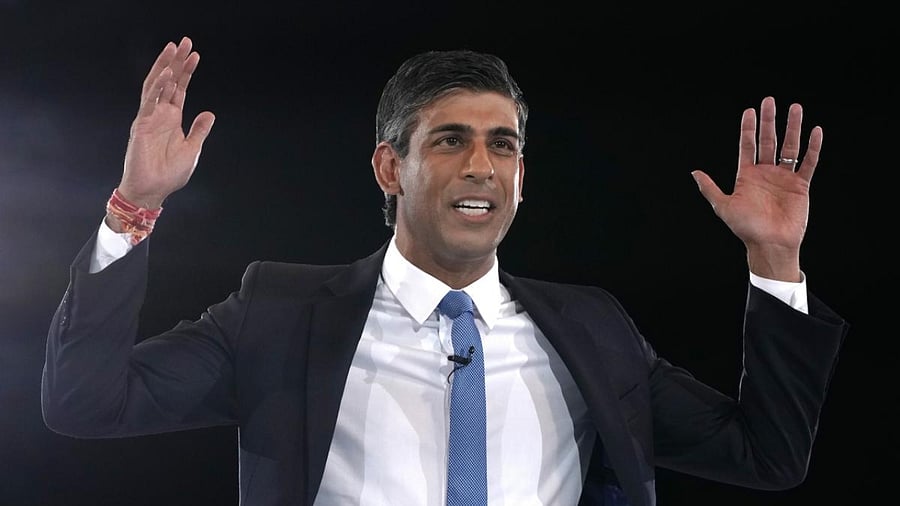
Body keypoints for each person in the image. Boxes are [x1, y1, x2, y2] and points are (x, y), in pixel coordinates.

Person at [41, 35, 849, 506]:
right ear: (391, 169)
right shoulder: (282, 313)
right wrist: (131, 207)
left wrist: (775, 260)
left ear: (523, 180)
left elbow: (765, 457)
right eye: (450, 140)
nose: (481, 167)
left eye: (503, 146)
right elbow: (86, 404)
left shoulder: (591, 328)